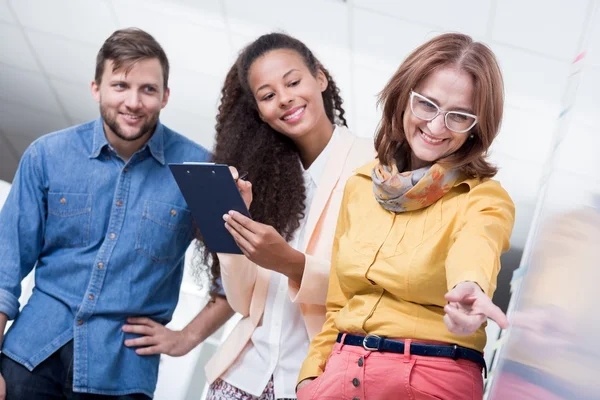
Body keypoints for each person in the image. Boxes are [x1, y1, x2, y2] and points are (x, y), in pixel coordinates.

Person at [0, 28, 234, 400]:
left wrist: (186, 338)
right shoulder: (46, 155)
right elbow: (4, 268)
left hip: (122, 378)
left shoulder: (202, 171)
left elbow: (241, 279)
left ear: (165, 96)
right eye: (121, 85)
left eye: (148, 89)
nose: (134, 102)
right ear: (97, 88)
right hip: (29, 360)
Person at [296, 33, 515, 400]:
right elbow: (339, 302)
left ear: (477, 127)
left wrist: (469, 288)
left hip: (432, 376)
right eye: (427, 104)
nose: (437, 125)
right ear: (404, 98)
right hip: (340, 371)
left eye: (459, 116)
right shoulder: (361, 184)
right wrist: (309, 380)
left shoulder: (482, 198)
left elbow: (479, 244)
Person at [194, 32, 374, 399]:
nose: (285, 98)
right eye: (268, 95)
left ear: (320, 78)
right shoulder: (262, 177)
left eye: (293, 82)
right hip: (240, 378)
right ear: (260, 111)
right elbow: (243, 303)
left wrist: (292, 264)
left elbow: (370, 291)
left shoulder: (374, 166)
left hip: (314, 381)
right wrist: (231, 229)